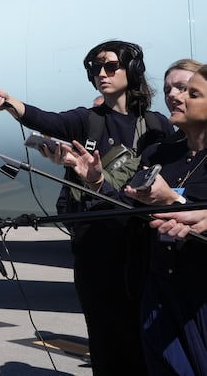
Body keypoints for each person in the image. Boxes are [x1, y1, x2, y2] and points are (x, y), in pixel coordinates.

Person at [0, 40, 173, 375]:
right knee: (105, 341)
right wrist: (12, 103)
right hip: (97, 252)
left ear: (134, 69)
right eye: (95, 68)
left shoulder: (159, 127)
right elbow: (47, 120)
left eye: (110, 66)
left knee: (148, 342)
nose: (101, 73)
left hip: (144, 248)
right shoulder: (88, 120)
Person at [63, 60, 207, 375]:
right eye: (169, 88)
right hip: (157, 290)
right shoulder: (159, 153)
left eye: (185, 89)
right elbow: (132, 207)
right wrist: (97, 182)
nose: (172, 95)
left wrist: (173, 200)